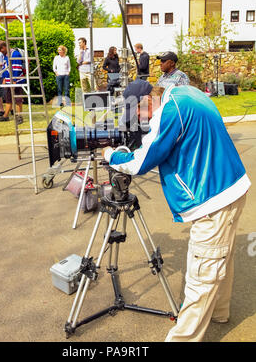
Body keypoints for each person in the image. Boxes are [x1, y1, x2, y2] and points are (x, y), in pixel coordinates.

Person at [102, 80, 251, 342]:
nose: (138, 119)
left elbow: (141, 161)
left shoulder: (169, 111)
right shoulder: (187, 92)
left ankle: (183, 338)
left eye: (137, 112)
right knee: (220, 258)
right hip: (231, 186)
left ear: (148, 101)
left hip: (211, 198)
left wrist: (111, 155)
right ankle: (218, 312)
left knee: (202, 275)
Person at [0, 42, 25, 124]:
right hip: (9, 80)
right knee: (8, 99)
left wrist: (15, 80)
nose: (0, 51)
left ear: (5, 47)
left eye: (1, 49)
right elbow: (5, 68)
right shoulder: (5, 55)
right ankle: (5, 116)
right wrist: (5, 78)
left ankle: (19, 117)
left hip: (17, 80)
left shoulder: (15, 54)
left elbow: (17, 67)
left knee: (18, 100)